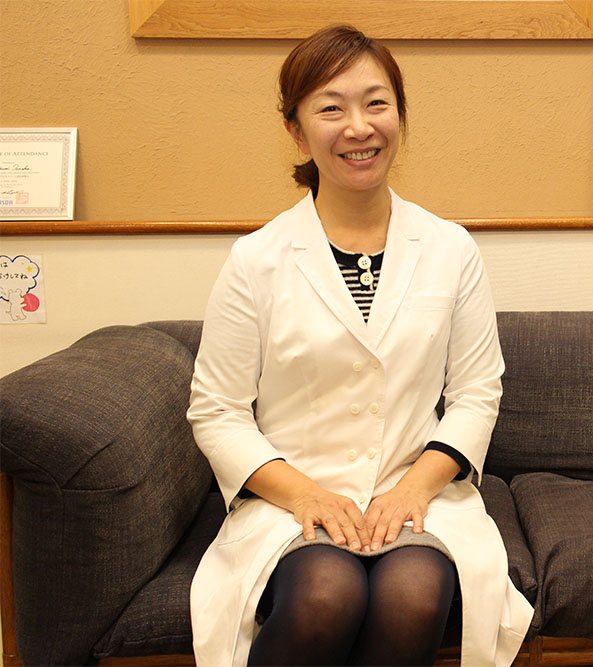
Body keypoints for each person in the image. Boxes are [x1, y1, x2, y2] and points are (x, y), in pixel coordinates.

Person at [187, 24, 532, 667]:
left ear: (400, 115)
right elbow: (217, 410)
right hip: (290, 499)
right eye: (331, 108)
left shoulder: (450, 248)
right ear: (295, 130)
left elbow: (477, 393)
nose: (358, 127)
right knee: (327, 592)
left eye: (377, 103)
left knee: (414, 593)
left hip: (416, 493)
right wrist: (305, 495)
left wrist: (414, 490)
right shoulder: (256, 259)